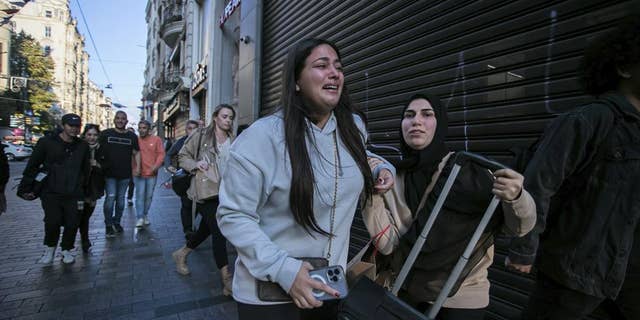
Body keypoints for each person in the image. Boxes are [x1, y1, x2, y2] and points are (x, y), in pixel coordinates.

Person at [216, 38, 393, 319]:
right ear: (296, 81)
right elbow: (233, 215)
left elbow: (361, 156)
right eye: (321, 66)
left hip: (329, 287)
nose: (334, 72)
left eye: (338, 66)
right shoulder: (261, 138)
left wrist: (380, 169)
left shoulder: (353, 128)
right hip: (270, 296)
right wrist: (285, 270)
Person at [506, 15, 640, 320]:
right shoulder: (589, 120)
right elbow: (539, 184)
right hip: (574, 272)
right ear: (624, 67)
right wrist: (524, 248)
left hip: (630, 282)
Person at [363, 93, 536, 320]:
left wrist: (517, 197)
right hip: (405, 290)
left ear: (440, 124)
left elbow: (520, 228)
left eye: (427, 114)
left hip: (462, 299)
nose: (416, 121)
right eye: (409, 115)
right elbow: (387, 246)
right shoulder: (392, 178)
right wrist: (371, 193)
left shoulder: (469, 172)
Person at [20, 113, 90, 264]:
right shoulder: (46, 142)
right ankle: (50, 248)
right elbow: (32, 166)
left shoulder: (82, 146)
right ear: (63, 125)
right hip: (51, 190)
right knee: (52, 221)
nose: (74, 129)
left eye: (77, 126)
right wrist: (26, 188)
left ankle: (67, 249)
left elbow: (86, 169)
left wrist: (86, 190)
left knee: (72, 222)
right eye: (71, 126)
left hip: (74, 191)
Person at [100, 111, 140, 237]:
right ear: (114, 120)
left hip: (125, 174)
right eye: (118, 118)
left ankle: (117, 222)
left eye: (123, 118)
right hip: (109, 174)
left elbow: (136, 153)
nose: (120, 120)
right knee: (110, 198)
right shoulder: (106, 134)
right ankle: (108, 225)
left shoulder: (132, 136)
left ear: (126, 121)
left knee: (121, 201)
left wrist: (137, 168)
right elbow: (95, 147)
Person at [166, 119, 199, 236]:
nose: (192, 131)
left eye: (195, 128)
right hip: (185, 179)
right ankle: (188, 229)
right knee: (186, 204)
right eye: (190, 128)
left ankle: (193, 226)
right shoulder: (180, 142)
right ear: (186, 130)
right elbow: (169, 154)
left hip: (200, 179)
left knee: (199, 205)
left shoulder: (202, 142)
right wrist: (169, 167)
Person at [78, 124, 105, 253]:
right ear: (85, 135)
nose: (92, 138)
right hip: (78, 188)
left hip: (94, 188)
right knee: (78, 216)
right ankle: (82, 240)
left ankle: (84, 239)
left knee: (86, 215)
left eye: (94, 135)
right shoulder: (78, 147)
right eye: (89, 135)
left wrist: (97, 165)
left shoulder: (102, 149)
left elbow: (107, 168)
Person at [133, 120, 165, 228]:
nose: (142, 130)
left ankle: (145, 214)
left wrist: (155, 166)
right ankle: (140, 217)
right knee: (140, 195)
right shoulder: (136, 140)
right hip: (138, 173)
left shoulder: (156, 140)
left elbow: (161, 154)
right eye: (140, 128)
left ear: (149, 129)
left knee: (149, 196)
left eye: (144, 128)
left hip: (152, 173)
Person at [126, 127, 136, 207]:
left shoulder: (136, 144)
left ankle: (129, 198)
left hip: (133, 168)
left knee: (131, 184)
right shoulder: (122, 142)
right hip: (122, 168)